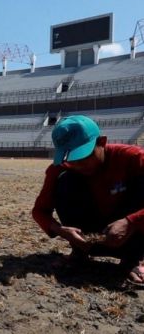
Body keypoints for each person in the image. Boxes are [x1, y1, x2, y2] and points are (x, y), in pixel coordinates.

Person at [32, 115, 144, 286]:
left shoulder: (133, 158)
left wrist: (132, 222)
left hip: (129, 236)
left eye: (84, 156)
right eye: (72, 159)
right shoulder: (60, 169)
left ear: (102, 142)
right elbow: (39, 211)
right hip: (89, 240)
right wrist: (60, 230)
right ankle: (79, 253)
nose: (78, 164)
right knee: (65, 181)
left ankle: (133, 260)